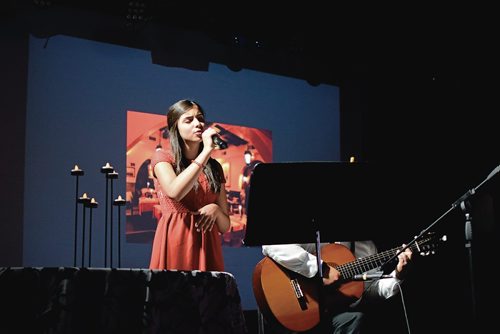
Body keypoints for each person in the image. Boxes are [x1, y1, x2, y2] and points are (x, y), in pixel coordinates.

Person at [261, 240, 413, 333]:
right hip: (296, 309)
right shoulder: (312, 225)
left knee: (355, 318)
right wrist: (320, 269)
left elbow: (372, 290)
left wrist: (398, 274)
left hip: (331, 314)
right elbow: (272, 245)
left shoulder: (366, 246)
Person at [149, 99, 231, 271]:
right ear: (175, 127)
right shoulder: (162, 157)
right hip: (176, 239)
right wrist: (207, 151)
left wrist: (215, 210)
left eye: (200, 119)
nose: (198, 124)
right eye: (189, 120)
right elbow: (174, 191)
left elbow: (224, 226)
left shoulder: (215, 167)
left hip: (208, 244)